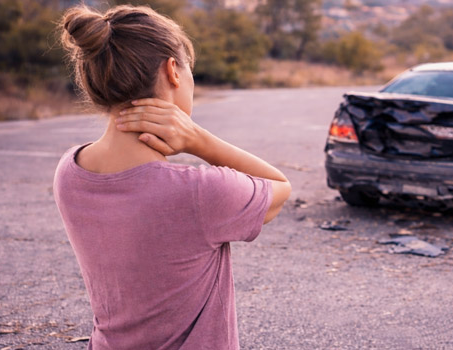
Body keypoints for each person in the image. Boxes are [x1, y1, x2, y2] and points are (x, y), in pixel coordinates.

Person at [52, 5, 291, 350]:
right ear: (173, 72)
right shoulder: (199, 192)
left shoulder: (69, 171)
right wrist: (199, 140)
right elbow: (281, 189)